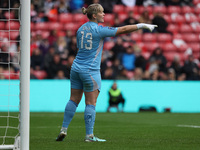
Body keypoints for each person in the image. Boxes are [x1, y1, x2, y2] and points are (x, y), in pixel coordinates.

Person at [56, 3, 157, 142]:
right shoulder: (99, 30)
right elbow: (124, 29)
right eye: (102, 12)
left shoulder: (80, 29)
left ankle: (63, 129)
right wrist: (142, 25)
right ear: (94, 15)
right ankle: (89, 136)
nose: (104, 14)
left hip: (76, 68)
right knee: (91, 103)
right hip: (90, 70)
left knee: (73, 99)